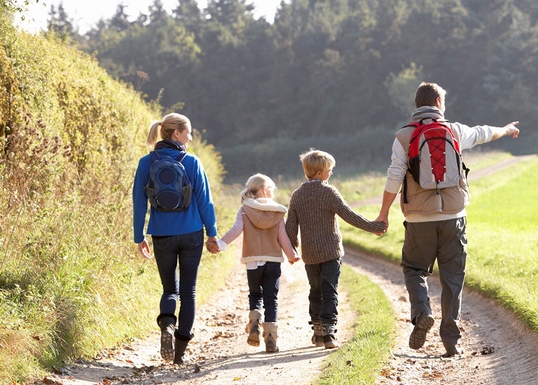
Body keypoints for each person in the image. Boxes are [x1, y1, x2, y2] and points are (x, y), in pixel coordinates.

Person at [375, 82, 519, 358]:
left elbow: (394, 175)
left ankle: (422, 313)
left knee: (414, 269)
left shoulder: (403, 136)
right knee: (453, 277)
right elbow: (484, 133)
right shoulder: (455, 130)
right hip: (454, 217)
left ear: (417, 104)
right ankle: (451, 342)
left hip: (418, 219)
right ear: (439, 102)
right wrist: (507, 129)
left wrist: (383, 214)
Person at [132, 113, 219, 365]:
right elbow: (205, 201)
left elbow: (139, 203)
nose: (190, 138)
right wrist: (212, 233)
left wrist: (139, 236)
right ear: (176, 133)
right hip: (192, 233)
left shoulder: (146, 163)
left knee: (170, 289)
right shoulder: (192, 162)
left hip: (162, 233)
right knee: (188, 292)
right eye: (188, 132)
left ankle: (167, 325)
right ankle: (179, 354)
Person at [286, 149, 386, 349]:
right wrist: (374, 227)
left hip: (310, 254)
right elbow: (349, 215)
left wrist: (292, 250)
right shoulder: (329, 192)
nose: (331, 173)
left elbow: (291, 226)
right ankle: (329, 333)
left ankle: (318, 332)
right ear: (319, 172)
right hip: (331, 252)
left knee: (315, 291)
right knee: (329, 291)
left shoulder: (297, 195)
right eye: (329, 170)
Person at [215, 173, 300, 353]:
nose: (273, 192)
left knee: (255, 294)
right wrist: (291, 255)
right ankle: (271, 339)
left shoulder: (245, 210)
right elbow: (282, 237)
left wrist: (221, 244)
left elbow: (236, 230)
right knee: (271, 298)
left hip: (253, 260)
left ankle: (254, 322)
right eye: (271, 188)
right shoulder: (277, 212)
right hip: (273, 261)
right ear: (263, 189)